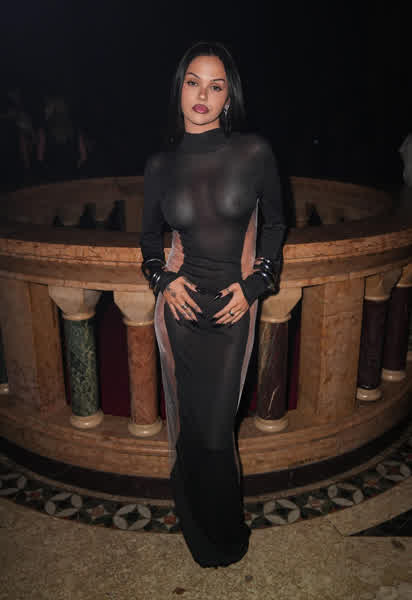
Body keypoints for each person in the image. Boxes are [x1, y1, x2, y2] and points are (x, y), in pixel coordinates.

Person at [140, 41, 287, 568]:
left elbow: (276, 224)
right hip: (179, 313)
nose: (202, 94)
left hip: (231, 313)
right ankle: (199, 527)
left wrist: (254, 287)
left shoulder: (254, 153)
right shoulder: (160, 165)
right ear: (179, 89)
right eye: (193, 82)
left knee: (217, 432)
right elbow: (148, 241)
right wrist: (163, 279)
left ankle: (225, 534)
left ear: (228, 97)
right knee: (190, 430)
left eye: (215, 85)